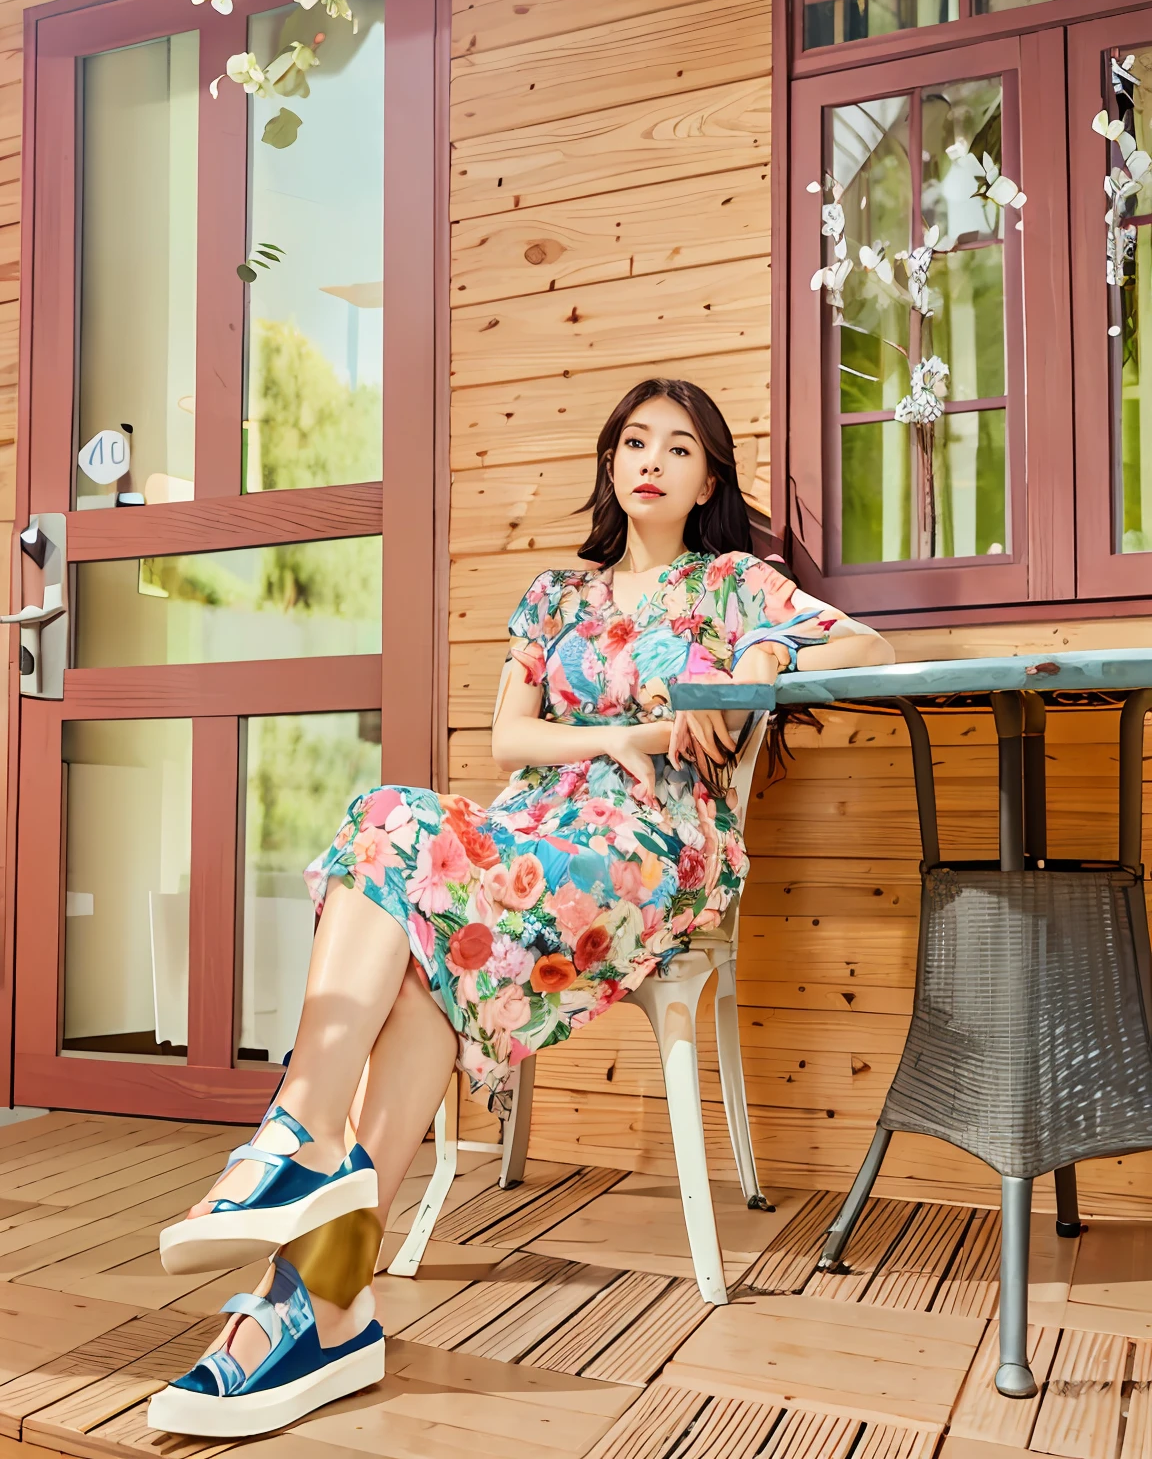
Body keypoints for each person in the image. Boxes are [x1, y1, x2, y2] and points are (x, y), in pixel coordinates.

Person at [147, 379, 895, 1437]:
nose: (652, 460)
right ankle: (324, 1289)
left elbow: (873, 649)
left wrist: (769, 654)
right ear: (610, 462)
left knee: (395, 843)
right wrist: (618, 737)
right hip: (537, 835)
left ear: (708, 479)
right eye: (634, 441)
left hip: (651, 851)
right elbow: (508, 741)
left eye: (678, 449)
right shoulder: (558, 595)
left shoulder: (731, 585)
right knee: (406, 903)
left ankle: (297, 1173)